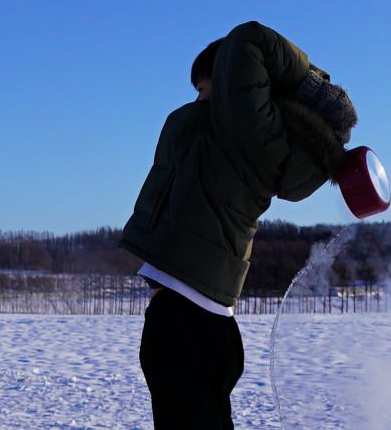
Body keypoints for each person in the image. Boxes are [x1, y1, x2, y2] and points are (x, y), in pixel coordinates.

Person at [120, 21, 357, 429]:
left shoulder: (244, 131)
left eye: (202, 88)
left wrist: (309, 83)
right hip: (197, 321)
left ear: (232, 87)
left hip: (187, 325)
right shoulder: (250, 142)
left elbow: (247, 40)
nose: (196, 99)